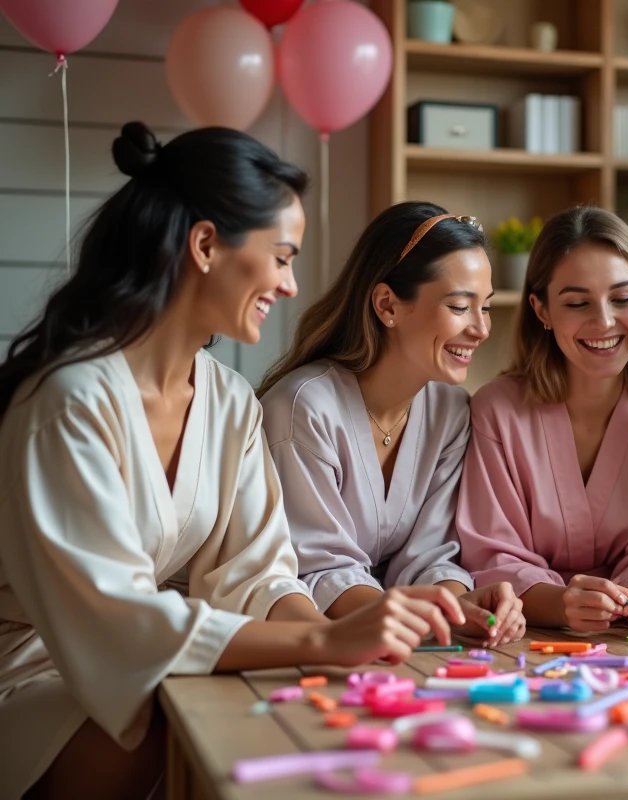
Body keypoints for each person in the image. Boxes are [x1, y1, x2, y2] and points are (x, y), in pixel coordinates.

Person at [0, 123, 462, 800]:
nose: (291, 283)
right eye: (281, 257)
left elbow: (257, 575)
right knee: (193, 725)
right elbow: (117, 616)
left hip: (155, 657)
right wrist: (323, 646)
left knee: (310, 708)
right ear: (207, 245)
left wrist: (348, 652)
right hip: (38, 667)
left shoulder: (230, 399)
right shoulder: (68, 402)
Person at [258, 202, 525, 646]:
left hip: (398, 639)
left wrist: (460, 606)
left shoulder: (451, 411)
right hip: (307, 641)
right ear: (388, 305)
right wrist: (426, 616)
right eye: (460, 306)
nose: (481, 328)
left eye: (487, 307)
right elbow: (319, 568)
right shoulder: (303, 407)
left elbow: (432, 556)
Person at [457, 206, 628, 634]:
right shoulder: (497, 412)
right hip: (518, 639)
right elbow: (492, 554)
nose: (603, 321)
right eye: (578, 303)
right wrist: (561, 604)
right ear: (541, 310)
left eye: (622, 299)